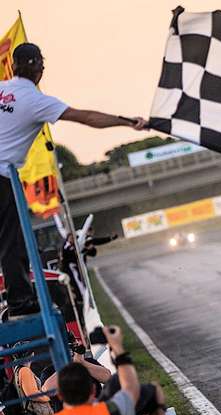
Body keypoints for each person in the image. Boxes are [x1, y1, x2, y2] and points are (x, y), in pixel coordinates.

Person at [0, 42, 146, 319]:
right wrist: (127, 121)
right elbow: (87, 117)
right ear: (38, 68)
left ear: (13, 66)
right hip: (3, 177)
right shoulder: (36, 100)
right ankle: (20, 301)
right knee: (12, 242)